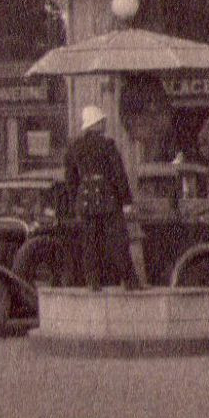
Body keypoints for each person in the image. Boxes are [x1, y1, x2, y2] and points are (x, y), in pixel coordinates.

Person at [64, 105, 142, 291]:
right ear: (96, 124)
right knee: (118, 239)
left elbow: (70, 179)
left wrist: (75, 201)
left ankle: (93, 281)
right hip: (107, 199)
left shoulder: (75, 147)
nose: (105, 124)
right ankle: (130, 281)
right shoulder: (108, 145)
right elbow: (118, 174)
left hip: (85, 200)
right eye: (102, 121)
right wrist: (126, 201)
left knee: (90, 242)